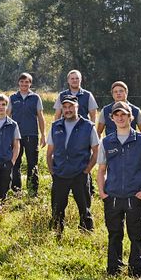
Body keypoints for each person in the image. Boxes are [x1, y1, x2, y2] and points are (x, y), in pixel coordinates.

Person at [96, 101, 141, 278]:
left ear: (131, 117)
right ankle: (113, 271)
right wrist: (102, 193)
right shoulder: (106, 142)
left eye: (123, 114)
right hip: (113, 197)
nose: (120, 118)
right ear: (112, 118)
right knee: (114, 234)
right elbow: (101, 170)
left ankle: (136, 272)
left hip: (135, 196)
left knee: (136, 235)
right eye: (117, 115)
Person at [46, 94, 100, 234]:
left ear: (77, 107)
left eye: (71, 106)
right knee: (57, 208)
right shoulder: (55, 126)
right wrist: (52, 172)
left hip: (79, 174)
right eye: (65, 107)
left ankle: (86, 233)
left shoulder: (88, 126)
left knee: (84, 208)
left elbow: (96, 151)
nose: (68, 109)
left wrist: (86, 171)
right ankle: (57, 233)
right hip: (60, 174)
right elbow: (49, 152)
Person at [9, 73, 46, 196]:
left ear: (30, 83)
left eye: (27, 82)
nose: (24, 84)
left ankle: (32, 191)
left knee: (32, 163)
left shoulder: (35, 98)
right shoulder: (12, 98)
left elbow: (40, 117)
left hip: (32, 135)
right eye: (22, 82)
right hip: (16, 136)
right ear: (18, 83)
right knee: (15, 163)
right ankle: (16, 190)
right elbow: (8, 115)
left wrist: (43, 134)